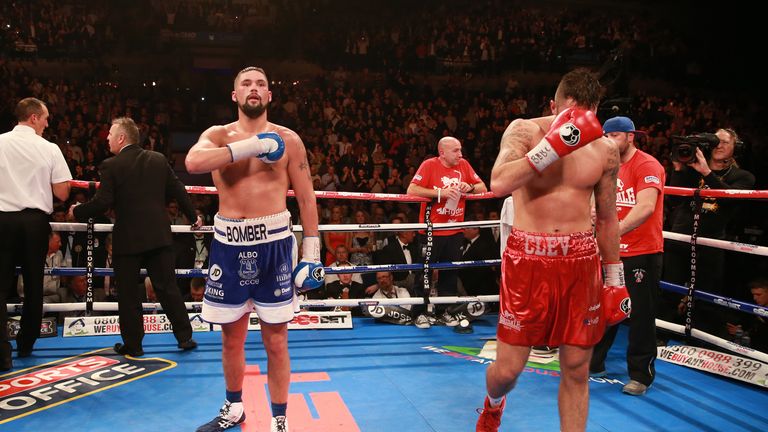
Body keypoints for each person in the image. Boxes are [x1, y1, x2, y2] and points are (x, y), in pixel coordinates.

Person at [476, 69, 629, 432]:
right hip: (527, 261)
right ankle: (493, 404)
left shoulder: (606, 151)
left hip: (580, 263)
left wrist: (614, 278)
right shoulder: (525, 131)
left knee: (577, 369)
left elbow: (607, 220)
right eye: (567, 112)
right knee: (508, 371)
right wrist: (552, 147)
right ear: (552, 106)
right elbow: (498, 182)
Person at [185, 66, 323, 432]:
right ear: (235, 95)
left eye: (261, 84)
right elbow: (192, 162)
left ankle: (279, 418)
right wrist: (254, 146)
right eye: (246, 84)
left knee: (276, 340)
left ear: (269, 95)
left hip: (274, 246)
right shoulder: (216, 135)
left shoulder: (290, 140)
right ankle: (234, 408)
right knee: (232, 338)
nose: (254, 89)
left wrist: (311, 253)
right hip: (229, 246)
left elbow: (307, 200)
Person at [70, 117, 202, 357]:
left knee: (129, 295)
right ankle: (185, 337)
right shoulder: (158, 159)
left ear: (122, 138)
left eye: (110, 134)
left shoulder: (111, 165)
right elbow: (178, 190)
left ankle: (134, 345)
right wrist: (194, 217)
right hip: (158, 235)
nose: (107, 138)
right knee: (167, 288)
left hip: (128, 239)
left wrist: (76, 211)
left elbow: (103, 202)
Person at [589, 116, 665, 396]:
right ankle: (594, 362)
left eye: (614, 137)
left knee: (641, 315)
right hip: (610, 253)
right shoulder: (605, 165)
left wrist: (615, 231)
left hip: (642, 252)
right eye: (604, 137)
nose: (608, 142)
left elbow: (645, 207)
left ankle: (640, 376)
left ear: (630, 137)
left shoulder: (647, 165)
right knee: (602, 306)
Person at [0, 97, 71, 371]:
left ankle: (2, 354)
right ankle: (26, 344)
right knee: (33, 285)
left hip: (3, 220)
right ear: (33, 118)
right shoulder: (48, 148)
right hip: (33, 222)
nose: (47, 123)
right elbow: (63, 192)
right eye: (45, 118)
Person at [663, 128, 756, 337]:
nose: (719, 145)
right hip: (681, 237)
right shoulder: (692, 169)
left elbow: (729, 201)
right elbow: (675, 201)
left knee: (706, 296)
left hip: (711, 243)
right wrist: (678, 168)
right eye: (716, 141)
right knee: (670, 289)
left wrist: (707, 173)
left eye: (725, 142)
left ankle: (701, 341)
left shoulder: (743, 176)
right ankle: (661, 334)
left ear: (736, 149)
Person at [407, 136, 487, 329]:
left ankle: (444, 312)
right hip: (430, 231)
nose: (460, 154)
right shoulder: (429, 165)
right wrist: (440, 193)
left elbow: (483, 188)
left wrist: (470, 187)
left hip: (454, 230)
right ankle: (419, 313)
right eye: (456, 151)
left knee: (450, 275)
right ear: (442, 152)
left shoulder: (464, 165)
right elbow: (411, 189)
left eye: (460, 150)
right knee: (424, 274)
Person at [726, 279, 768, 353]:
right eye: (753, 295)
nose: (754, 298)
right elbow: (747, 323)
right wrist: (738, 329)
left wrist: (744, 334)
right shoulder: (753, 306)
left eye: (758, 295)